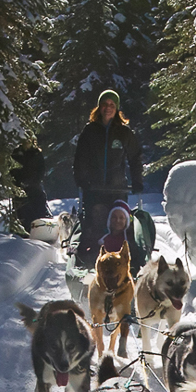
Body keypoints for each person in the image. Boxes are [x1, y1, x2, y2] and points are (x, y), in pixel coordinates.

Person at [72, 89, 141, 263]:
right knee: (96, 219)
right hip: (93, 187)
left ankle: (123, 258)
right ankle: (94, 259)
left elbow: (135, 158)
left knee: (118, 223)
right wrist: (81, 179)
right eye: (105, 104)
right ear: (99, 107)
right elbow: (80, 158)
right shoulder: (90, 131)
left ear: (116, 108)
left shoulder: (124, 132)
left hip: (117, 188)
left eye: (112, 105)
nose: (108, 108)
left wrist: (137, 180)